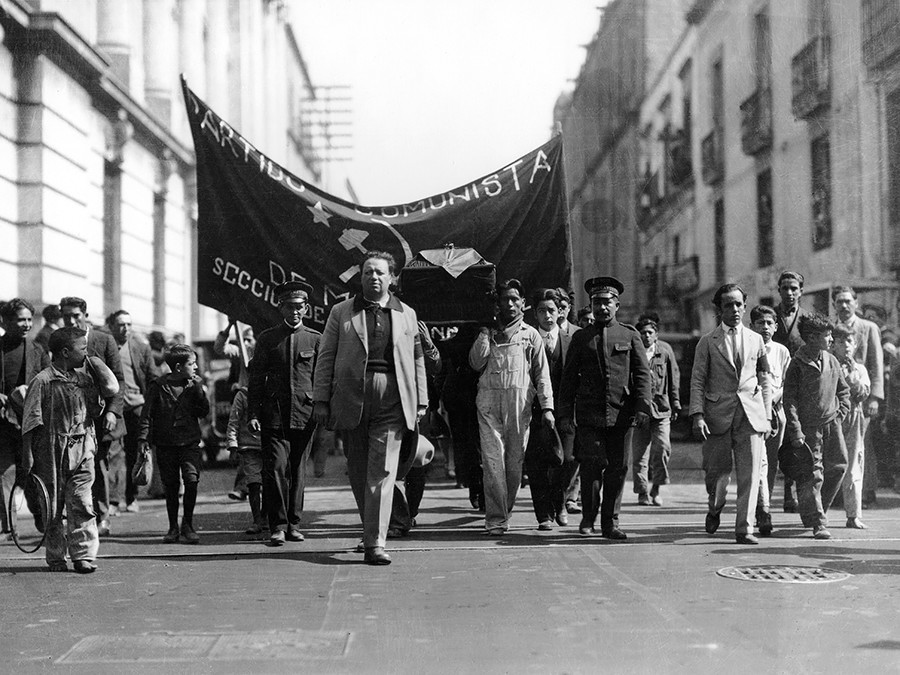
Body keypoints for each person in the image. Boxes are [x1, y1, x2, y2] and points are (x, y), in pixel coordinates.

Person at [312, 251, 427, 565]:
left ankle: (376, 543)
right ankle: (370, 531)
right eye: (367, 273)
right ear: (360, 277)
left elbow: (417, 360)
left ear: (391, 277)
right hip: (351, 398)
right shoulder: (341, 312)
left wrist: (421, 401)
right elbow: (326, 358)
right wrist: (321, 399)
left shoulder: (407, 313)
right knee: (360, 471)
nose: (373, 278)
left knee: (382, 471)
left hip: (393, 397)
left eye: (379, 272)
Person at [18, 326, 119, 573]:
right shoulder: (42, 381)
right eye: (83, 349)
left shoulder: (85, 380)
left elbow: (106, 396)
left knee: (82, 502)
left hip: (83, 446)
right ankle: (55, 555)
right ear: (65, 352)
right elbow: (31, 420)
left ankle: (83, 555)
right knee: (52, 505)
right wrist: (28, 453)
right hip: (50, 450)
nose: (87, 353)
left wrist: (98, 367)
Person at [559, 276, 651, 539]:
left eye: (606, 302)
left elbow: (642, 375)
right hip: (590, 416)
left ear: (617, 305)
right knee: (590, 466)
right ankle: (588, 518)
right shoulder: (580, 338)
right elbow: (568, 379)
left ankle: (610, 522)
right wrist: (565, 414)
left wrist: (643, 407)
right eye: (597, 302)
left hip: (622, 415)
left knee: (618, 469)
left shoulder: (630, 335)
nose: (601, 308)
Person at [468, 279, 554, 536]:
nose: (509, 304)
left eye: (515, 299)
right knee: (492, 461)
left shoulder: (531, 334)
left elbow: (542, 374)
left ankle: (504, 509)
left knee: (514, 465)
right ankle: (496, 520)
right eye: (505, 299)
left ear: (524, 304)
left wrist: (547, 407)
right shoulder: (488, 332)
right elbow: (475, 363)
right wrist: (484, 334)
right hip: (489, 403)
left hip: (519, 404)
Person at [690, 283, 772, 545]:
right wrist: (698, 414)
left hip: (751, 415)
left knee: (750, 475)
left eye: (739, 304)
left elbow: (765, 378)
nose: (735, 309)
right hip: (717, 416)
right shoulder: (707, 342)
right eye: (729, 305)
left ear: (744, 307)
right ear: (719, 309)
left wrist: (767, 414)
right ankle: (714, 508)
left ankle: (744, 528)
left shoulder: (756, 339)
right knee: (718, 476)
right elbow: (698, 381)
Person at [247, 281, 320, 546]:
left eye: (299, 307)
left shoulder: (315, 339)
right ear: (281, 308)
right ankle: (276, 525)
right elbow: (255, 380)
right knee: (276, 467)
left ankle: (294, 523)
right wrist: (253, 413)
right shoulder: (267, 339)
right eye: (289, 307)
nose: (295, 312)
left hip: (305, 413)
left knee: (298, 470)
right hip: (274, 414)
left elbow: (322, 379)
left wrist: (322, 408)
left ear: (306, 308)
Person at [59, 297, 124, 537]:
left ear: (85, 315)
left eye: (76, 315)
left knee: (99, 465)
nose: (72, 320)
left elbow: (119, 380)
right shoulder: (61, 342)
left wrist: (112, 412)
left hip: (102, 417)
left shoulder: (104, 340)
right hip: (73, 418)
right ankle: (79, 517)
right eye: (67, 316)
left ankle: (103, 515)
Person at [783, 313, 850, 540]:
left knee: (839, 466)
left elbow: (843, 390)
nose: (831, 340)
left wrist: (841, 413)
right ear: (811, 338)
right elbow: (789, 400)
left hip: (832, 425)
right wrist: (796, 430)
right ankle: (818, 522)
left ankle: (814, 510)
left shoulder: (831, 360)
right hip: (809, 429)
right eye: (827, 336)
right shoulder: (797, 364)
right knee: (814, 474)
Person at [138, 344, 210, 544]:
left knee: (192, 480)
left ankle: (188, 524)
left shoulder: (193, 385)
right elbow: (147, 415)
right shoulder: (158, 386)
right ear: (178, 367)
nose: (195, 367)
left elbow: (203, 412)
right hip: (166, 443)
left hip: (189, 442)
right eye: (192, 364)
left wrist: (199, 391)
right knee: (170, 486)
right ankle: (173, 527)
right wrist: (143, 439)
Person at [523, 289, 576, 530]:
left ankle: (561, 502)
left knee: (565, 460)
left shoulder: (571, 340)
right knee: (537, 464)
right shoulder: (528, 339)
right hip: (533, 413)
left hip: (565, 414)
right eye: (542, 311)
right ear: (535, 314)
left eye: (552, 310)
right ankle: (543, 514)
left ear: (560, 312)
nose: (547, 316)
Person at [0, 299, 49, 536]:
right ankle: (8, 527)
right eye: (21, 319)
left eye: (30, 319)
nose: (27, 324)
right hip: (1, 423)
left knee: (31, 471)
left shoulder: (38, 350)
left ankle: (42, 519)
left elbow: (51, 382)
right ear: (5, 321)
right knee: (5, 473)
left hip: (29, 423)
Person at [832, 285, 884, 508]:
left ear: (855, 303)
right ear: (834, 305)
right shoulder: (832, 329)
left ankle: (867, 490)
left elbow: (876, 364)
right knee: (839, 443)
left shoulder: (869, 327)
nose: (843, 305)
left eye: (847, 301)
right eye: (839, 302)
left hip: (862, 392)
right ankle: (840, 493)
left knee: (864, 444)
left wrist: (874, 397)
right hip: (837, 397)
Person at [388, 320, 441, 537]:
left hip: (417, 408)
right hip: (390, 404)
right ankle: (396, 516)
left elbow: (435, 365)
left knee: (415, 464)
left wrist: (427, 342)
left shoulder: (417, 326)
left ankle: (409, 512)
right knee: (388, 465)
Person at [105, 310, 157, 515]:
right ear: (111, 326)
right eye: (120, 324)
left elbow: (152, 377)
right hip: (115, 410)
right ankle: (113, 501)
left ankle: (131, 496)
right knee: (113, 455)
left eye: (128, 324)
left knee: (136, 454)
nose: (125, 328)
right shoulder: (106, 348)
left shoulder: (141, 348)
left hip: (137, 407)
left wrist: (151, 405)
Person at [748, 305, 790, 537]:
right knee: (758, 461)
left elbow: (786, 381)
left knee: (771, 463)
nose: (764, 327)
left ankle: (765, 504)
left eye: (769, 323)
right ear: (752, 325)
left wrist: (774, 397)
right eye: (760, 323)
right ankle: (762, 510)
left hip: (776, 412)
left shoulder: (781, 351)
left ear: (775, 327)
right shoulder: (748, 347)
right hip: (753, 412)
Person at [631, 315, 680, 507]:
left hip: (661, 409)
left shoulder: (665, 350)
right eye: (642, 333)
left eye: (650, 333)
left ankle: (656, 488)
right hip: (640, 411)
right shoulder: (633, 351)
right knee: (639, 456)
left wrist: (675, 403)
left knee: (662, 449)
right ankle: (642, 492)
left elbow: (674, 377)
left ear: (656, 335)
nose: (646, 336)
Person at [773, 271, 811, 512]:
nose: (789, 292)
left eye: (793, 288)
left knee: (798, 438)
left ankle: (794, 493)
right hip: (775, 386)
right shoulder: (769, 317)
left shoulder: (807, 319)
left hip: (801, 385)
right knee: (777, 440)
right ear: (778, 290)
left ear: (801, 291)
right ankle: (776, 494)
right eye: (785, 288)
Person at [831, 324, 870, 529]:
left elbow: (863, 392)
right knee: (828, 465)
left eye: (849, 341)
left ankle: (853, 514)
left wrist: (851, 374)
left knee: (854, 465)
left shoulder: (860, 369)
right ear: (832, 344)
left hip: (854, 418)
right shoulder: (828, 364)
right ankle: (818, 513)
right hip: (833, 417)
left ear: (855, 345)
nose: (845, 345)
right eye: (840, 341)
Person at [215, 318, 257, 500]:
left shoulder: (265, 351)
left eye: (250, 339)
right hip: (244, 400)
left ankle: (250, 486)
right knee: (245, 446)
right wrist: (230, 327)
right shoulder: (242, 352)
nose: (246, 343)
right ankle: (243, 487)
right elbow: (220, 348)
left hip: (263, 400)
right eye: (244, 339)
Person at [225, 385, 265, 534]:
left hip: (270, 445)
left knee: (269, 483)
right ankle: (257, 520)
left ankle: (265, 516)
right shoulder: (242, 395)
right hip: (249, 447)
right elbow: (233, 420)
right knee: (253, 483)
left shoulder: (274, 390)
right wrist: (233, 446)